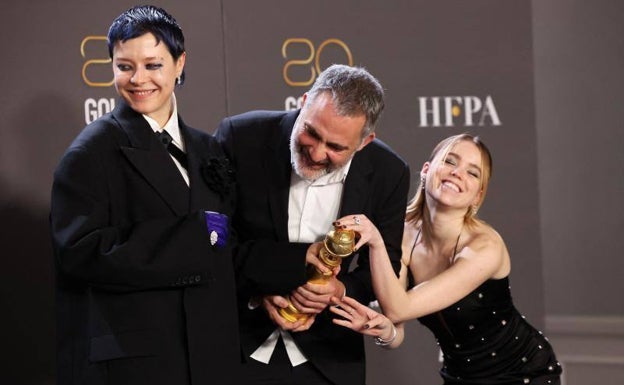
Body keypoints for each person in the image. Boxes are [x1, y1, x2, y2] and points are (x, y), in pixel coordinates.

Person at [50, 5, 240, 385]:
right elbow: (79, 253)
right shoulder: (90, 152)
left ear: (179, 63)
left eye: (153, 65)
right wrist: (192, 238)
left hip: (212, 357)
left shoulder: (209, 149)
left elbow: (228, 250)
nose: (138, 80)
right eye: (124, 66)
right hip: (137, 363)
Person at [214, 64, 410, 384]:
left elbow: (382, 266)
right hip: (236, 347)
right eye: (312, 132)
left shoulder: (389, 172)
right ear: (304, 102)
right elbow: (213, 242)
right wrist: (261, 289)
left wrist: (339, 290)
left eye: (335, 147)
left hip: (329, 360)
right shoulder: (241, 138)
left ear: (364, 142)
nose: (317, 153)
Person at [330, 134, 562, 384]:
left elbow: (399, 307)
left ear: (477, 195)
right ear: (427, 170)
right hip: (459, 376)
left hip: (522, 373)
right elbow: (395, 325)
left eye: (473, 173)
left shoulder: (484, 247)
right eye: (450, 162)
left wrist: (376, 241)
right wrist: (384, 331)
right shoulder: (402, 232)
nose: (458, 173)